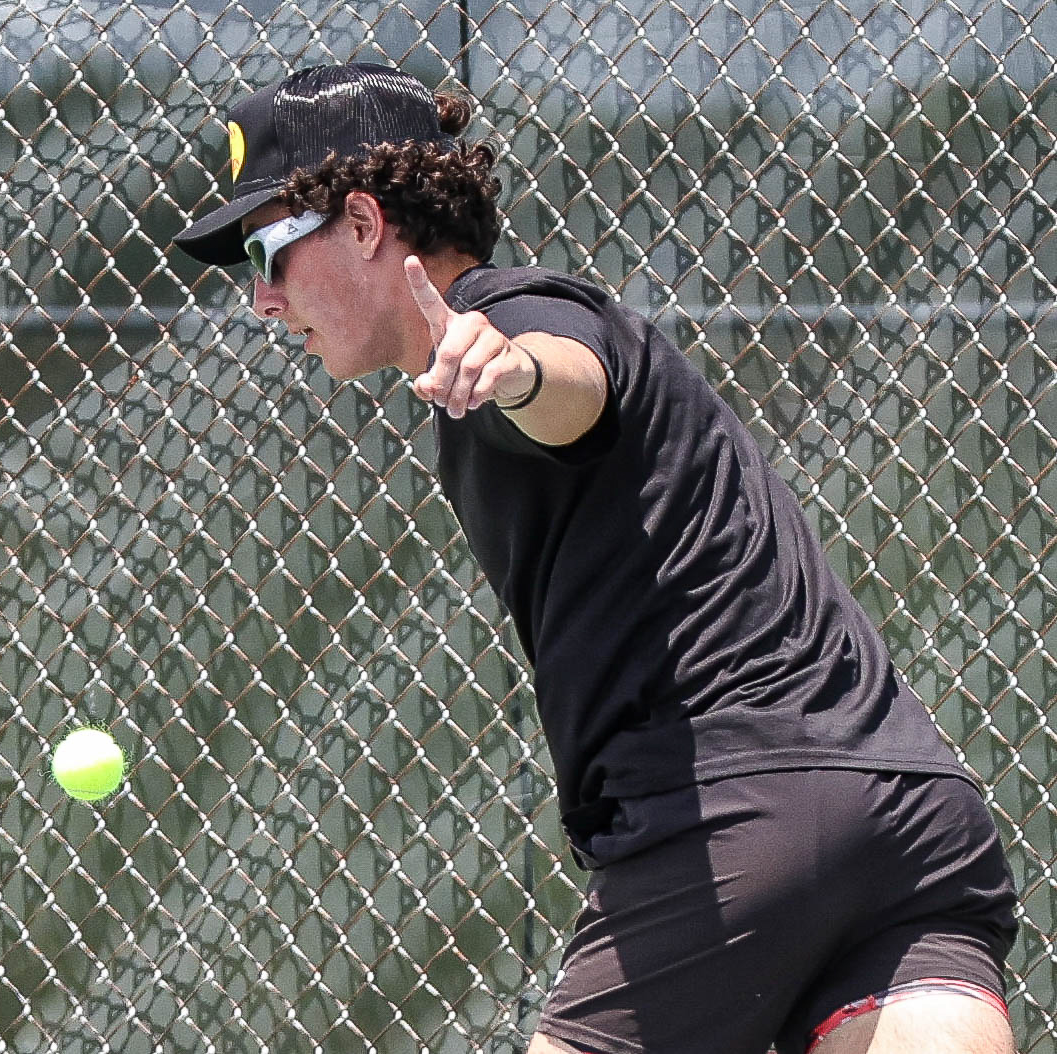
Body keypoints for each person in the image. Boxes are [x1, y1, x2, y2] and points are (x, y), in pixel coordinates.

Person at [174, 62, 1019, 1054]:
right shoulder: (526, 327)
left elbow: (571, 384)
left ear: (363, 223)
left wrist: (513, 371)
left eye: (267, 252)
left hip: (741, 810)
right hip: (917, 810)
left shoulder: (512, 313)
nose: (262, 299)